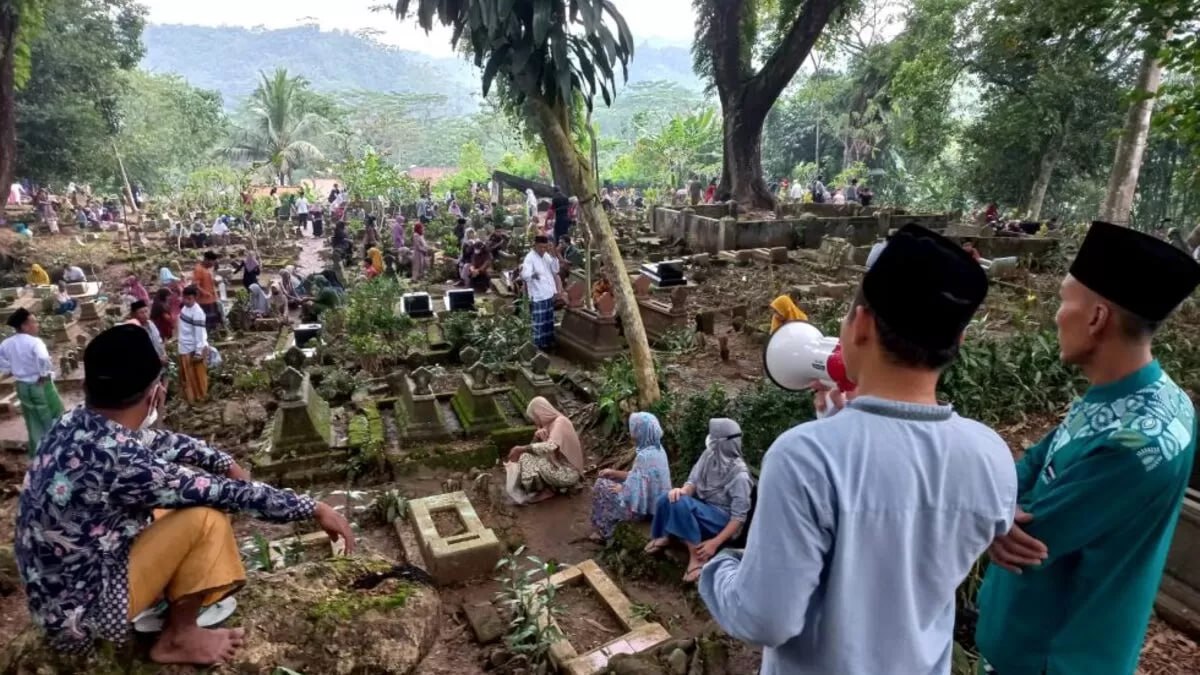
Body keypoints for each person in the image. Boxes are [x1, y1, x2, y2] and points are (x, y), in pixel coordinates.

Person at [699, 224, 1015, 674]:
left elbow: (764, 618)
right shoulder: (991, 455)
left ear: (862, 324)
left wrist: (721, 568)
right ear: (958, 340)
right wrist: (835, 424)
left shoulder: (802, 458)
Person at [14, 324, 355, 665]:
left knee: (166, 511)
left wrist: (222, 460)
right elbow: (223, 494)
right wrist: (313, 508)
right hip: (85, 620)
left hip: (56, 598)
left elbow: (158, 441)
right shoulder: (123, 461)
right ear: (155, 394)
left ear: (88, 387)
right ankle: (179, 636)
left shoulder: (71, 423)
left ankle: (163, 601)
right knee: (206, 518)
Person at [975, 222, 1200, 675]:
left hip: (1051, 653)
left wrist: (989, 513)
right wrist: (1000, 504)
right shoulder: (1151, 399)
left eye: (1064, 301)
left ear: (1097, 318)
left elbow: (1030, 538)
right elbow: (1041, 457)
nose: (1057, 315)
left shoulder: (1131, 443)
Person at [645, 418, 753, 584]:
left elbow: (738, 518)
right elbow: (692, 481)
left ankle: (697, 557)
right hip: (704, 507)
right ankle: (666, 535)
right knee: (667, 498)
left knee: (680, 504)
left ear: (722, 443)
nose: (710, 439)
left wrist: (714, 543)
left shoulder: (740, 476)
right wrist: (682, 491)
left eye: (714, 437)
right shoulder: (708, 455)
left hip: (721, 520)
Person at [591, 412, 673, 541]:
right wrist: (614, 473)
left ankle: (605, 532)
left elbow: (633, 490)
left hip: (639, 511)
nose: (631, 433)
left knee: (601, 485)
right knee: (609, 478)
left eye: (634, 429)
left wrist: (623, 489)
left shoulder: (644, 456)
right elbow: (640, 478)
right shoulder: (659, 450)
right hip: (654, 508)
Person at [0, 309, 65, 455]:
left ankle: (39, 453)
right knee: (53, 415)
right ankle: (57, 450)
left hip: (22, 386)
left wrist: (10, 368)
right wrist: (43, 374)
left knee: (33, 420)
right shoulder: (35, 342)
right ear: (24, 326)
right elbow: (43, 358)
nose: (37, 325)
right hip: (40, 384)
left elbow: (1, 359)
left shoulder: (6, 343)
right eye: (34, 322)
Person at [506, 397, 584, 503]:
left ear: (540, 413)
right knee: (526, 456)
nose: (535, 422)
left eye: (535, 418)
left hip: (569, 473)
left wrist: (521, 448)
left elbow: (549, 447)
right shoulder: (548, 426)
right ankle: (537, 489)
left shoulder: (560, 422)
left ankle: (547, 490)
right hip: (558, 466)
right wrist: (536, 437)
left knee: (529, 457)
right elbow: (534, 448)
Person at [521, 236, 563, 350]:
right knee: (539, 322)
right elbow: (524, 275)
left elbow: (555, 270)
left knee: (548, 320)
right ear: (535, 245)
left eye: (545, 247)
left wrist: (554, 256)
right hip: (538, 295)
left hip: (548, 292)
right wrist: (532, 275)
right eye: (540, 247)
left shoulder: (546, 256)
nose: (543, 249)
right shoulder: (530, 258)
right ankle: (538, 346)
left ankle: (548, 343)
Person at [177, 286, 210, 404]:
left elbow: (199, 333)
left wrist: (198, 351)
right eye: (184, 298)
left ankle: (201, 399)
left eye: (189, 299)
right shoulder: (185, 308)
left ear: (195, 298)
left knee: (197, 376)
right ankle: (191, 399)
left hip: (193, 349)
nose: (186, 301)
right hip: (184, 347)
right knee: (188, 377)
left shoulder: (198, 313)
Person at [127, 300, 166, 365]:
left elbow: (159, 340)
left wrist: (164, 354)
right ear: (134, 314)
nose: (145, 314)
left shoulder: (151, 323)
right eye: (141, 312)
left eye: (146, 311)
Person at [193, 252, 221, 332]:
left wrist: (215, 282)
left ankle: (214, 333)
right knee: (207, 322)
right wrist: (205, 292)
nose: (213, 265)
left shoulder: (207, 269)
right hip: (204, 301)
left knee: (214, 321)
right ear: (206, 260)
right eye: (212, 262)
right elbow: (195, 285)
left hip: (212, 299)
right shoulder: (199, 269)